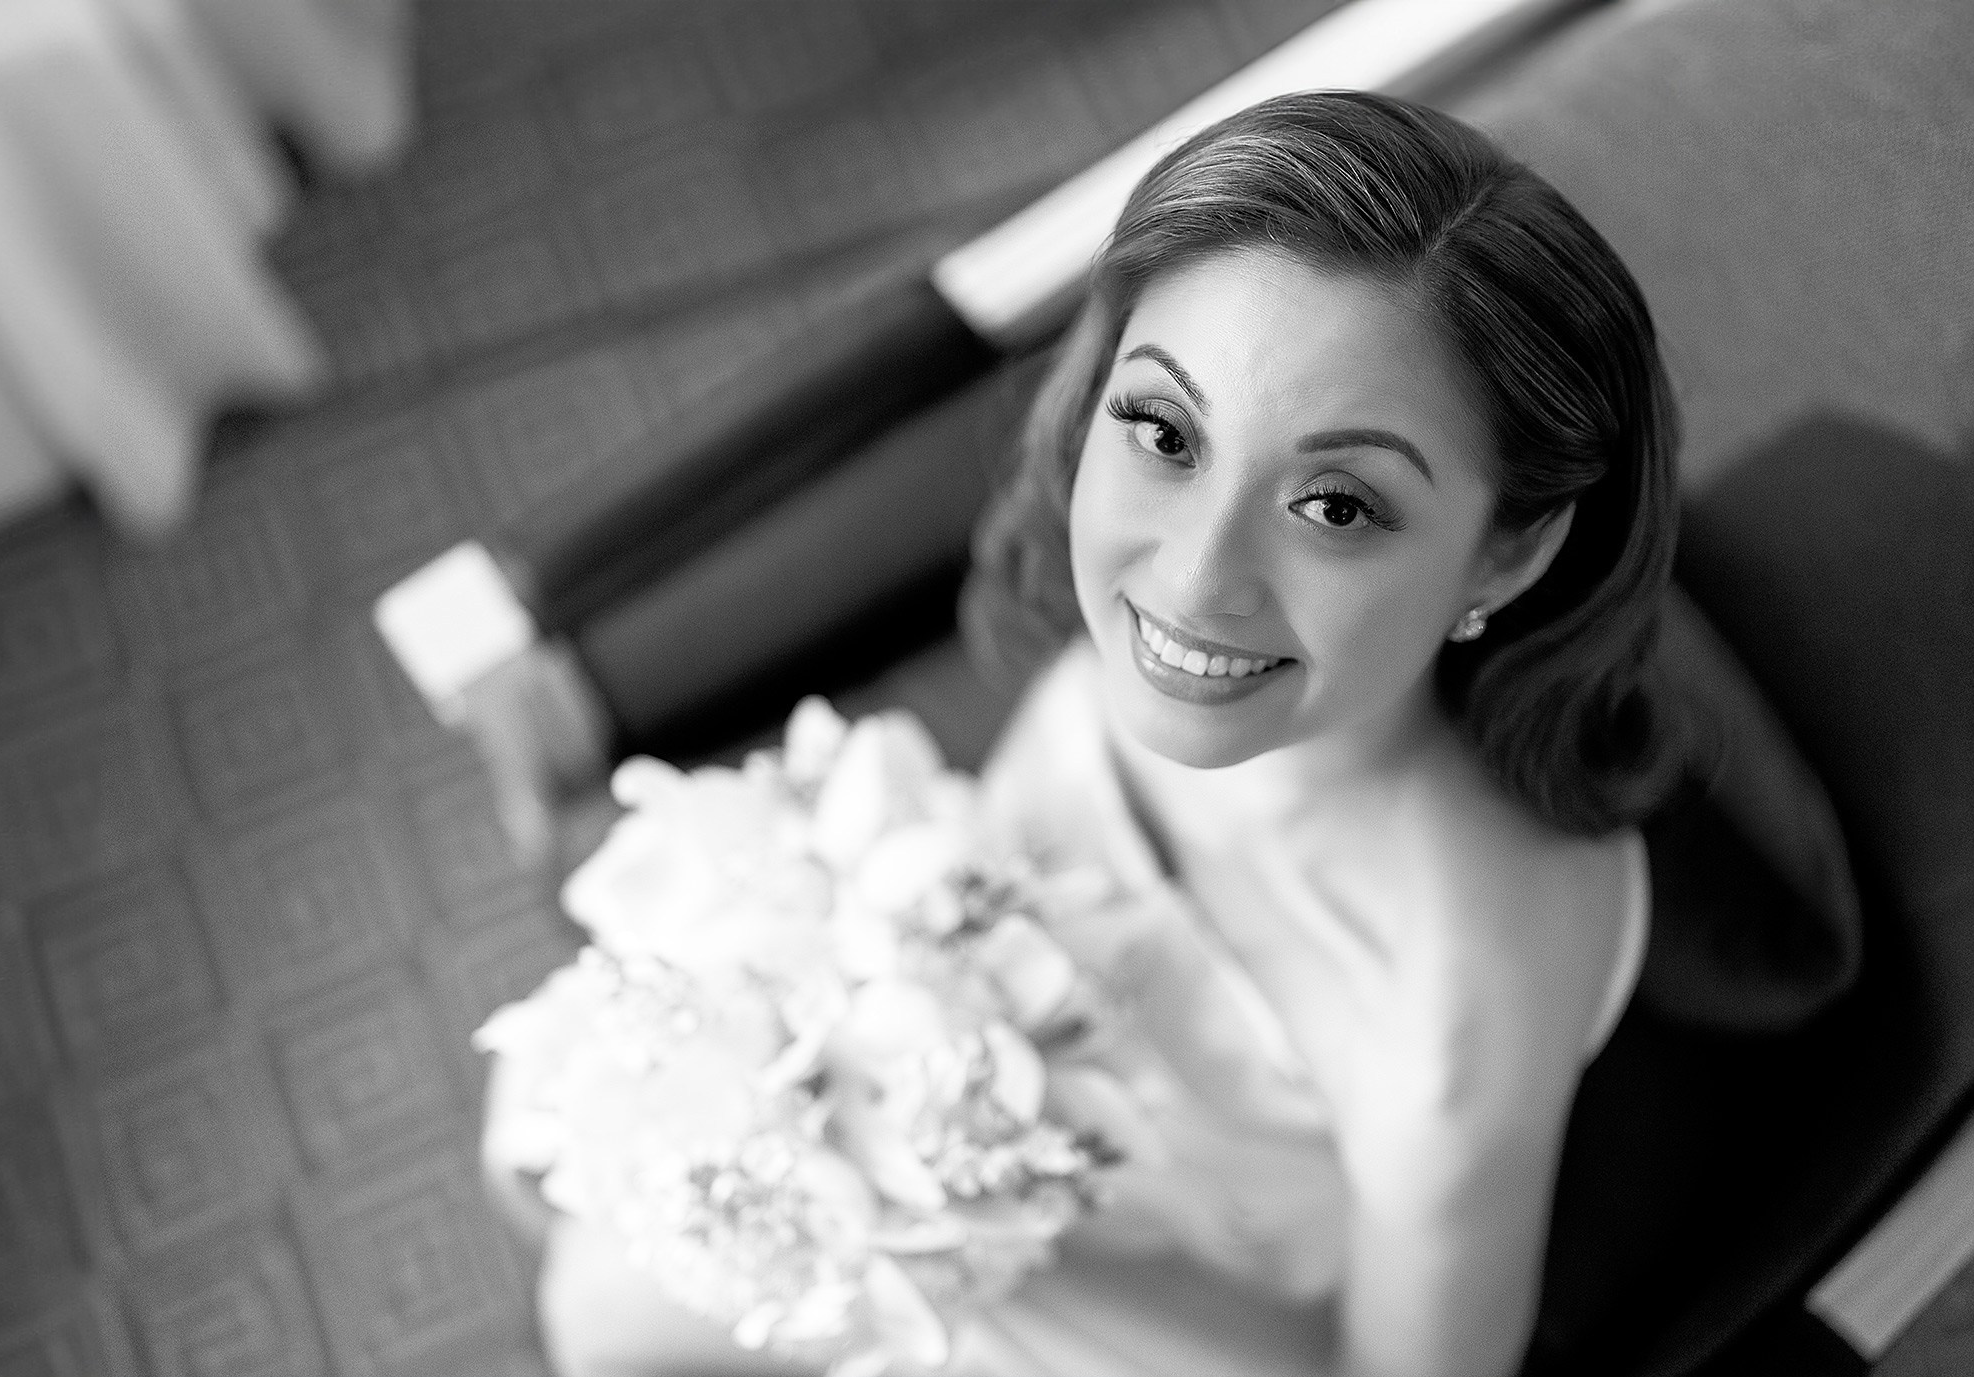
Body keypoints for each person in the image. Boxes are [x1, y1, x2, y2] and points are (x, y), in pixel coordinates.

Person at [534, 90, 1684, 1377]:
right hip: (989, 1146)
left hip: (1160, 1320)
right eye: (1164, 432)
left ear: (1510, 552)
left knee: (619, 1306)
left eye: (1336, 506)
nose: (1193, 583)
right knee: (571, 1160)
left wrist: (934, 1234)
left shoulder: (1448, 1015)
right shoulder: (1194, 673)